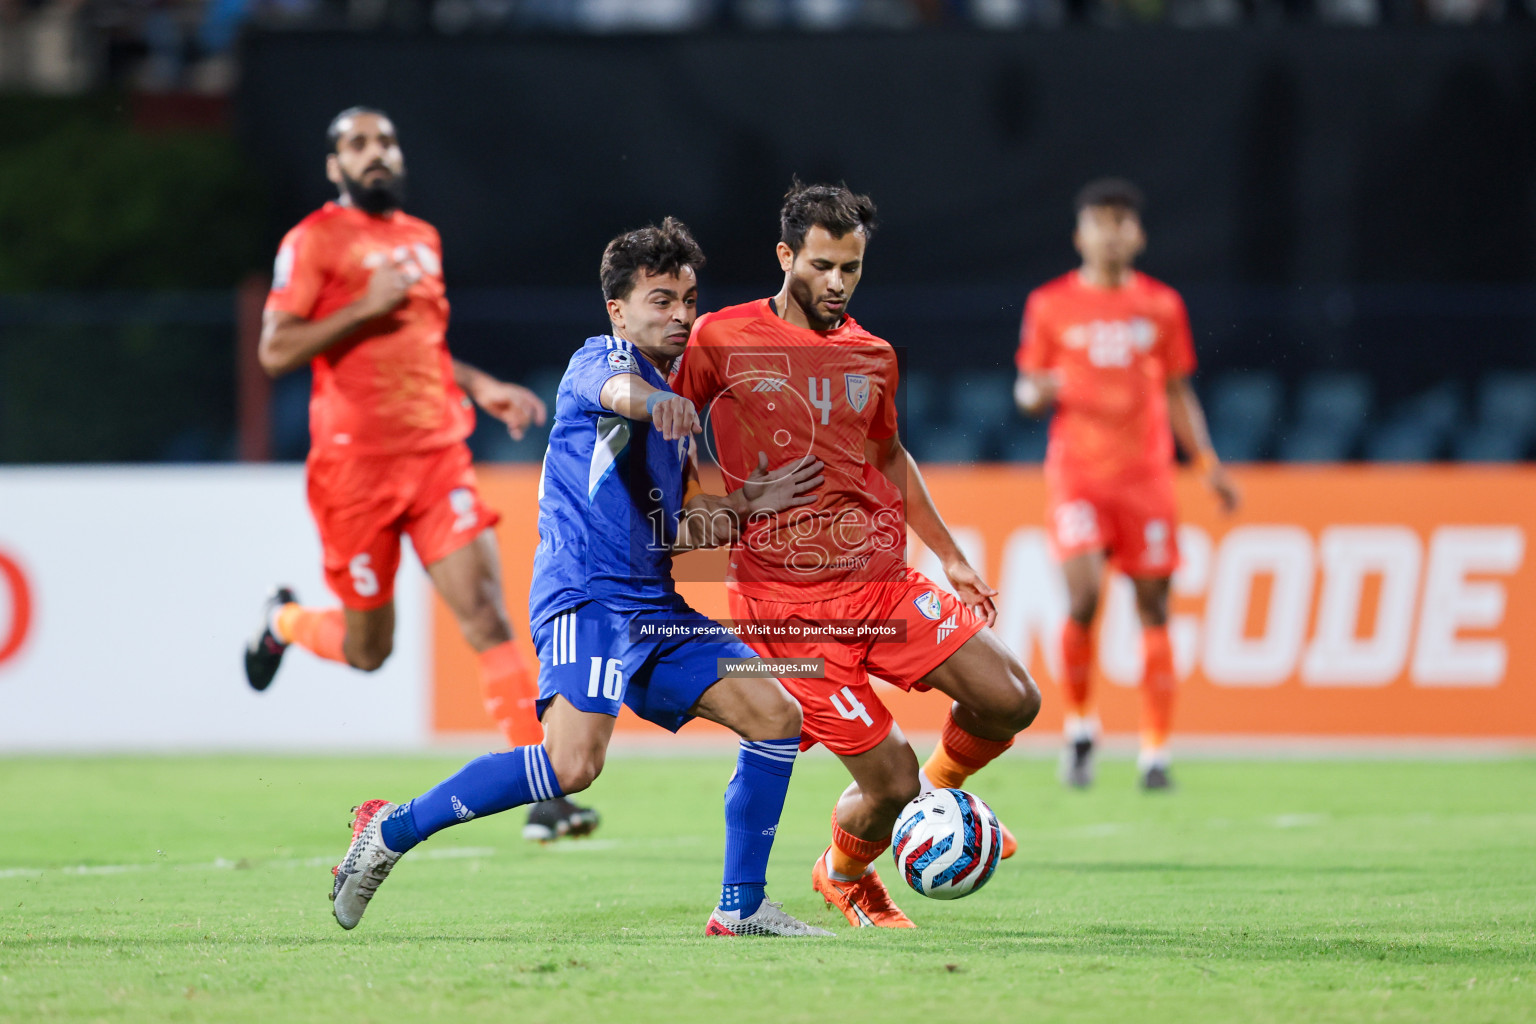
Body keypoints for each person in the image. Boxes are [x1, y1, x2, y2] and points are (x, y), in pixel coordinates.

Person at [330, 218, 832, 938]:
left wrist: (748, 505)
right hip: (585, 597)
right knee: (572, 766)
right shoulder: (600, 360)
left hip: (654, 608)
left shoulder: (671, 407)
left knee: (777, 716)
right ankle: (389, 829)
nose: (681, 315)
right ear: (618, 309)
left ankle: (742, 905)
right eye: (661, 299)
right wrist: (656, 402)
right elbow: (616, 391)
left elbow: (675, 532)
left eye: (689, 299)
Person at [672, 181, 1041, 930]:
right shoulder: (720, 337)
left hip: (881, 582)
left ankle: (931, 804)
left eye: (852, 268)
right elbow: (665, 429)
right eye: (821, 265)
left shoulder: (872, 355)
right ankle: (847, 874)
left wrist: (954, 557)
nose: (837, 283)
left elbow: (891, 455)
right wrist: (709, 510)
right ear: (785, 256)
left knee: (1011, 699)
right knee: (889, 782)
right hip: (789, 609)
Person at [241, 106, 596, 841]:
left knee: (487, 612)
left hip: (436, 455)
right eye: (358, 145)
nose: (376, 154)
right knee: (370, 651)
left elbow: (422, 344)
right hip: (353, 472)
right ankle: (283, 621)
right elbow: (275, 351)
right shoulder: (312, 242)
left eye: (386, 142)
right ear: (335, 167)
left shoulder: (420, 240)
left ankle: (543, 791)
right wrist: (362, 308)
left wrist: (478, 385)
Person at [1014, 177, 1239, 792]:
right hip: (1078, 478)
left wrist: (1209, 465)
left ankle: (1155, 751)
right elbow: (1027, 386)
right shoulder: (1050, 305)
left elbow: (1178, 390)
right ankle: (1082, 727)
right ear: (1079, 234)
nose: (1111, 232)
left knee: (1154, 608)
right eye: (1100, 221)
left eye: (1122, 221)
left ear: (1137, 234)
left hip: (1146, 479)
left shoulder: (1162, 306)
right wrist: (1036, 393)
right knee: (1083, 599)